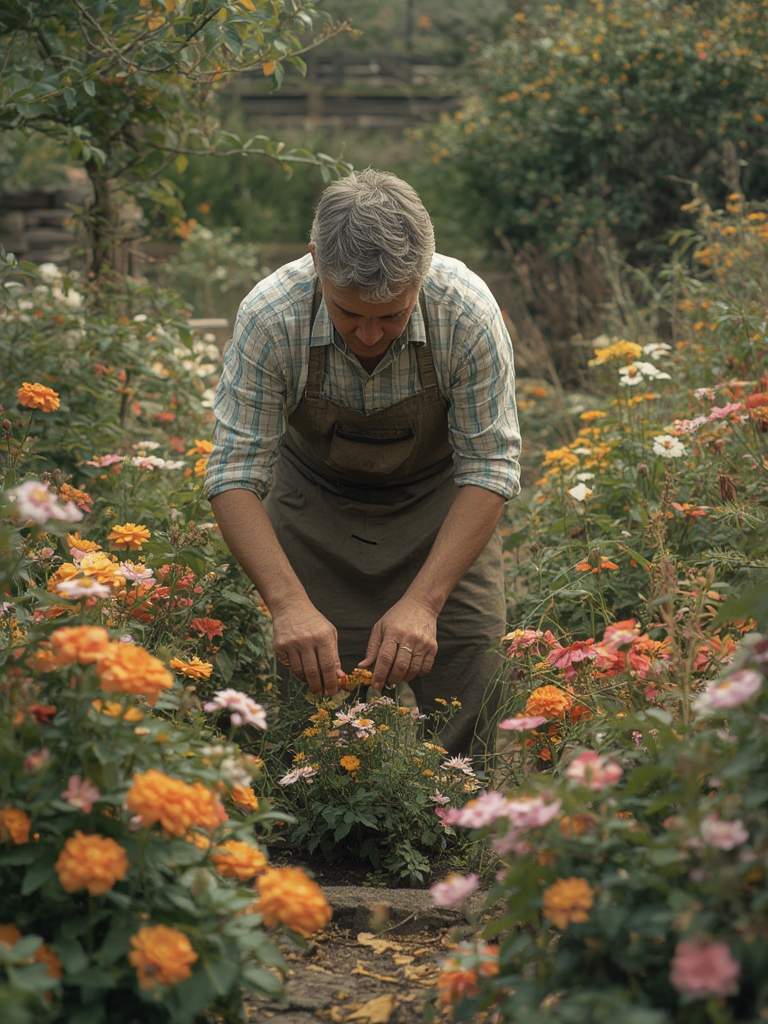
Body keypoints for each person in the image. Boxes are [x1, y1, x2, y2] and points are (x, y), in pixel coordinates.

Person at [205, 169, 521, 757]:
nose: (370, 335)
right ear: (315, 262)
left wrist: (425, 604)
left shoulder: (466, 311)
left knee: (470, 671)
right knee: (314, 719)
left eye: (392, 316)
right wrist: (288, 605)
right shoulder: (272, 315)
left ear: (421, 278)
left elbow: (490, 468)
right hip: (315, 505)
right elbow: (233, 475)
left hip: (441, 505)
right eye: (350, 314)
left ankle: (460, 833)